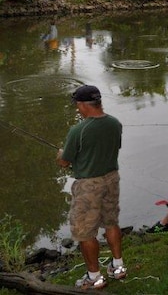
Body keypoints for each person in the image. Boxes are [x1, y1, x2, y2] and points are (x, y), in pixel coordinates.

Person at [56, 85, 126, 289]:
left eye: (77, 104)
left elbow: (64, 162)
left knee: (85, 232)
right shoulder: (115, 124)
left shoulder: (78, 130)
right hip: (112, 179)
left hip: (89, 185)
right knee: (111, 222)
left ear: (82, 105)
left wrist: (61, 154)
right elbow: (110, 148)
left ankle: (94, 277)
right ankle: (118, 267)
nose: (77, 108)